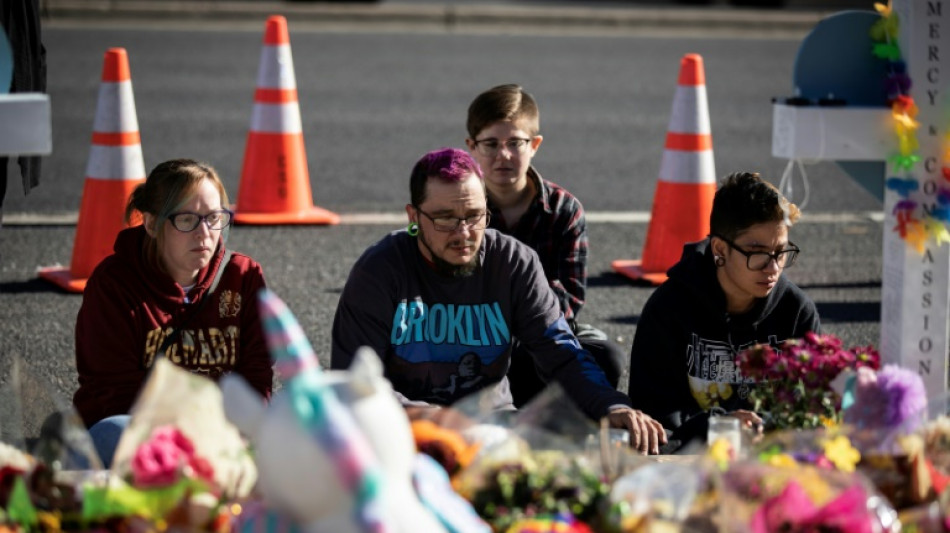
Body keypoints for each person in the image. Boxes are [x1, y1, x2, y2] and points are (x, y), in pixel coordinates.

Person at [331, 147, 666, 454]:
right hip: (405, 436)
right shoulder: (380, 270)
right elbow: (356, 382)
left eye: (475, 215)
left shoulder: (513, 261)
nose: (463, 233)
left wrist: (612, 405)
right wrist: (441, 424)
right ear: (414, 217)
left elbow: (560, 351)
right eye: (446, 218)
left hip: (494, 433)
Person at [73, 158, 273, 466]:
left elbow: (257, 376)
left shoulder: (243, 276)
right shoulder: (114, 284)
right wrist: (192, 436)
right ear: (152, 224)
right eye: (186, 219)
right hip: (147, 437)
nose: (204, 233)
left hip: (224, 434)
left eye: (214, 217)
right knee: (111, 432)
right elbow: (112, 393)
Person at [627, 171, 820, 452]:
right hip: (691, 460)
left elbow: (812, 411)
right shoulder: (669, 308)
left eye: (780, 252)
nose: (773, 267)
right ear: (720, 249)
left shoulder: (796, 311)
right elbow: (653, 414)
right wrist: (719, 428)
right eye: (758, 252)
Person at [464, 83, 626, 407]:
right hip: (473, 338)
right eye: (491, 144)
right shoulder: (460, 208)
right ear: (472, 147)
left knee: (605, 357)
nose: (503, 155)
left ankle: (536, 417)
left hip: (538, 339)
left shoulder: (565, 210)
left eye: (515, 143)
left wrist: (511, 312)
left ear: (534, 144)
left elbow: (569, 299)